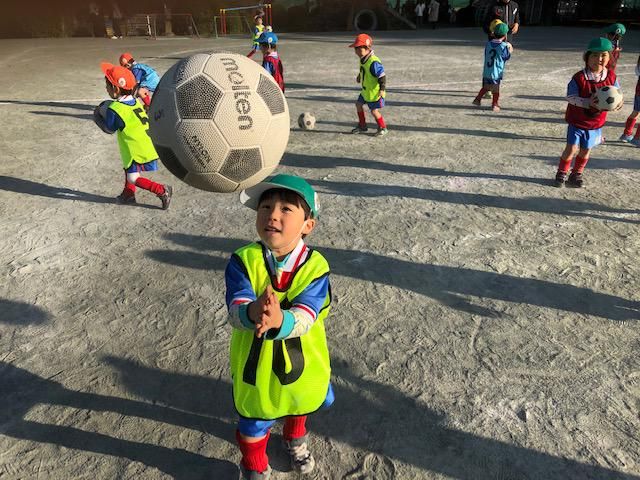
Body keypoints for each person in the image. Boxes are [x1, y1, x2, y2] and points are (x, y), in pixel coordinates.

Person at [225, 174, 334, 480]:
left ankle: (295, 438)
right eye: (265, 207)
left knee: (300, 402)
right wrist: (252, 311)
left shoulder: (316, 267)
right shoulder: (243, 260)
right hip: (255, 366)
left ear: (308, 225)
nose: (272, 214)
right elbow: (235, 311)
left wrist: (279, 320)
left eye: (286, 209)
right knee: (253, 420)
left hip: (303, 361)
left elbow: (307, 315)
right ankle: (254, 464)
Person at [95, 62, 172, 209]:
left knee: (133, 177)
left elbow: (109, 129)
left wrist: (98, 117)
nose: (106, 88)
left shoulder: (115, 108)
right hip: (146, 143)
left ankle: (162, 190)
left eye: (107, 85)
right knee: (129, 168)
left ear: (116, 89)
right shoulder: (135, 101)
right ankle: (128, 194)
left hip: (136, 149)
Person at [554, 38, 622, 188]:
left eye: (603, 55)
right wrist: (587, 102)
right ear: (587, 57)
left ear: (609, 57)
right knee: (571, 149)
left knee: (586, 150)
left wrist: (619, 103)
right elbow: (570, 97)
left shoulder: (611, 77)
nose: (599, 59)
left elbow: (617, 93)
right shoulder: (579, 78)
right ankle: (562, 172)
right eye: (595, 55)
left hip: (595, 123)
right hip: (577, 121)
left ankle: (576, 173)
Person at [349, 33, 388, 137]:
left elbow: (382, 76)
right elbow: (364, 69)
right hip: (366, 91)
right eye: (356, 48)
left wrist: (382, 89)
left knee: (374, 111)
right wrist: (359, 76)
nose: (357, 51)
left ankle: (383, 127)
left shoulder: (374, 62)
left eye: (359, 48)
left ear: (367, 48)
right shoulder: (363, 58)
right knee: (358, 105)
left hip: (375, 93)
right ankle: (362, 125)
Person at [472, 22, 512, 112]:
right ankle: (495, 104)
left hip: (487, 71)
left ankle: (477, 99)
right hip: (496, 72)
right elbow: (506, 57)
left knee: (486, 86)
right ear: (504, 35)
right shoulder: (503, 46)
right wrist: (509, 49)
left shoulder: (488, 44)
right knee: (496, 89)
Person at [620, 54, 640, 146]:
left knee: (635, 112)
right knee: (636, 112)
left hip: (638, 91)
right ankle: (637, 138)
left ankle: (626, 134)